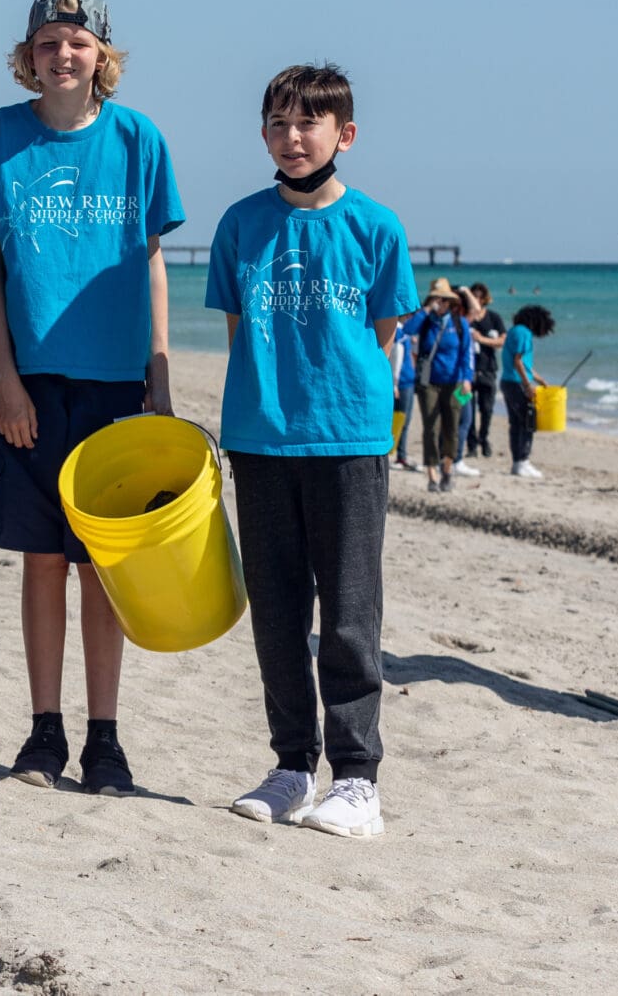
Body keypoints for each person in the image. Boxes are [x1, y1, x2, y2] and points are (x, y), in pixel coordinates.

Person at [0, 0, 183, 796]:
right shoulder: (1, 136)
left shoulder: (138, 140)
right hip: (32, 381)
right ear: (29, 57)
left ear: (103, 56)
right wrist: (5, 378)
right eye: (50, 42)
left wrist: (158, 375)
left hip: (115, 384)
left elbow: (153, 260)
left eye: (79, 42)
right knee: (42, 557)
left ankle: (104, 738)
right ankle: (42, 731)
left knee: (101, 563)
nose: (65, 55)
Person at [211, 64, 415, 840]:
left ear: (344, 134)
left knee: (350, 614)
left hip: (350, 440)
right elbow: (240, 336)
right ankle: (294, 764)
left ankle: (357, 779)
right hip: (262, 440)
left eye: (308, 124)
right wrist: (263, 410)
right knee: (279, 611)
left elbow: (382, 339)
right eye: (278, 123)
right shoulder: (240, 225)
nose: (292, 138)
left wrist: (341, 406)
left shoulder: (376, 226)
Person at [412, 282, 474, 492]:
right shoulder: (426, 321)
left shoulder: (459, 323)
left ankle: (447, 470)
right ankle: (432, 476)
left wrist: (467, 378)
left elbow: (467, 352)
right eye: (437, 298)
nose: (441, 303)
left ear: (451, 302)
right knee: (431, 427)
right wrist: (426, 309)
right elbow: (408, 329)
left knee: (452, 428)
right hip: (428, 382)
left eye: (444, 299)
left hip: (454, 382)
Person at [499, 303, 554, 480]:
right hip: (516, 383)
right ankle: (522, 461)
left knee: (516, 423)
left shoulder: (515, 331)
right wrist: (528, 385)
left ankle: (518, 463)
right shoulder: (524, 333)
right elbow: (518, 362)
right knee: (527, 422)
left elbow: (524, 364)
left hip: (508, 381)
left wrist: (539, 379)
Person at [462, 283, 506, 458]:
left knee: (487, 410)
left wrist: (482, 340)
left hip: (488, 370)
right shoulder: (467, 318)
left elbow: (502, 341)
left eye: (480, 296)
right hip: (469, 373)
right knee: (468, 411)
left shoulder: (494, 318)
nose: (477, 299)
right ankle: (471, 445)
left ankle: (484, 438)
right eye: (474, 296)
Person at [387, 298, 419, 473]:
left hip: (404, 380)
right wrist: (395, 384)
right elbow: (397, 359)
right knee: (401, 419)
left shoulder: (401, 332)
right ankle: (399, 454)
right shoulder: (399, 333)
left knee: (401, 419)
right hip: (402, 382)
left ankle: (400, 453)